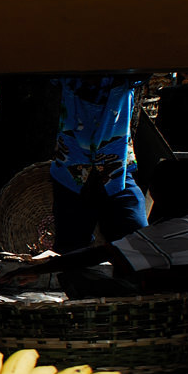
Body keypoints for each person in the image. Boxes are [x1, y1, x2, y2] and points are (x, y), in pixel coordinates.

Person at [0, 158, 188, 297]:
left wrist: (35, 269)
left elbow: (94, 255)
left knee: (77, 277)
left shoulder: (157, 237)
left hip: (176, 310)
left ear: (153, 192)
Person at [49, 75, 147, 254]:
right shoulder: (68, 75)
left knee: (137, 242)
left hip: (116, 173)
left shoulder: (126, 76)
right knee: (70, 251)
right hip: (72, 174)